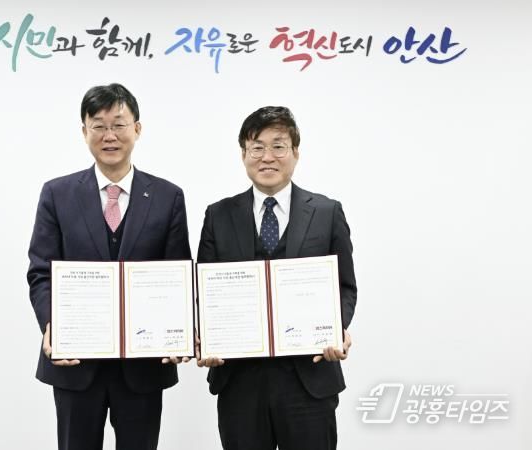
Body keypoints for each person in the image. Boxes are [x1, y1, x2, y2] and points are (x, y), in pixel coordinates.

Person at [27, 83, 191, 450]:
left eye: (118, 124)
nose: (109, 135)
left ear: (137, 128)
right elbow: (40, 272)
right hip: (76, 362)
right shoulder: (57, 193)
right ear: (84, 131)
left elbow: (177, 273)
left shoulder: (167, 196)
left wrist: (178, 329)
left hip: (143, 365)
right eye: (98, 126)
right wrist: (53, 325)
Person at [196, 106, 357, 450]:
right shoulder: (218, 215)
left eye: (278, 146)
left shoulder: (327, 212)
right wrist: (205, 338)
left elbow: (345, 286)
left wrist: (336, 328)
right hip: (239, 381)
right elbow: (204, 293)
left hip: (309, 378)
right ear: (243, 154)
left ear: (295, 152)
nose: (267, 157)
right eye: (257, 147)